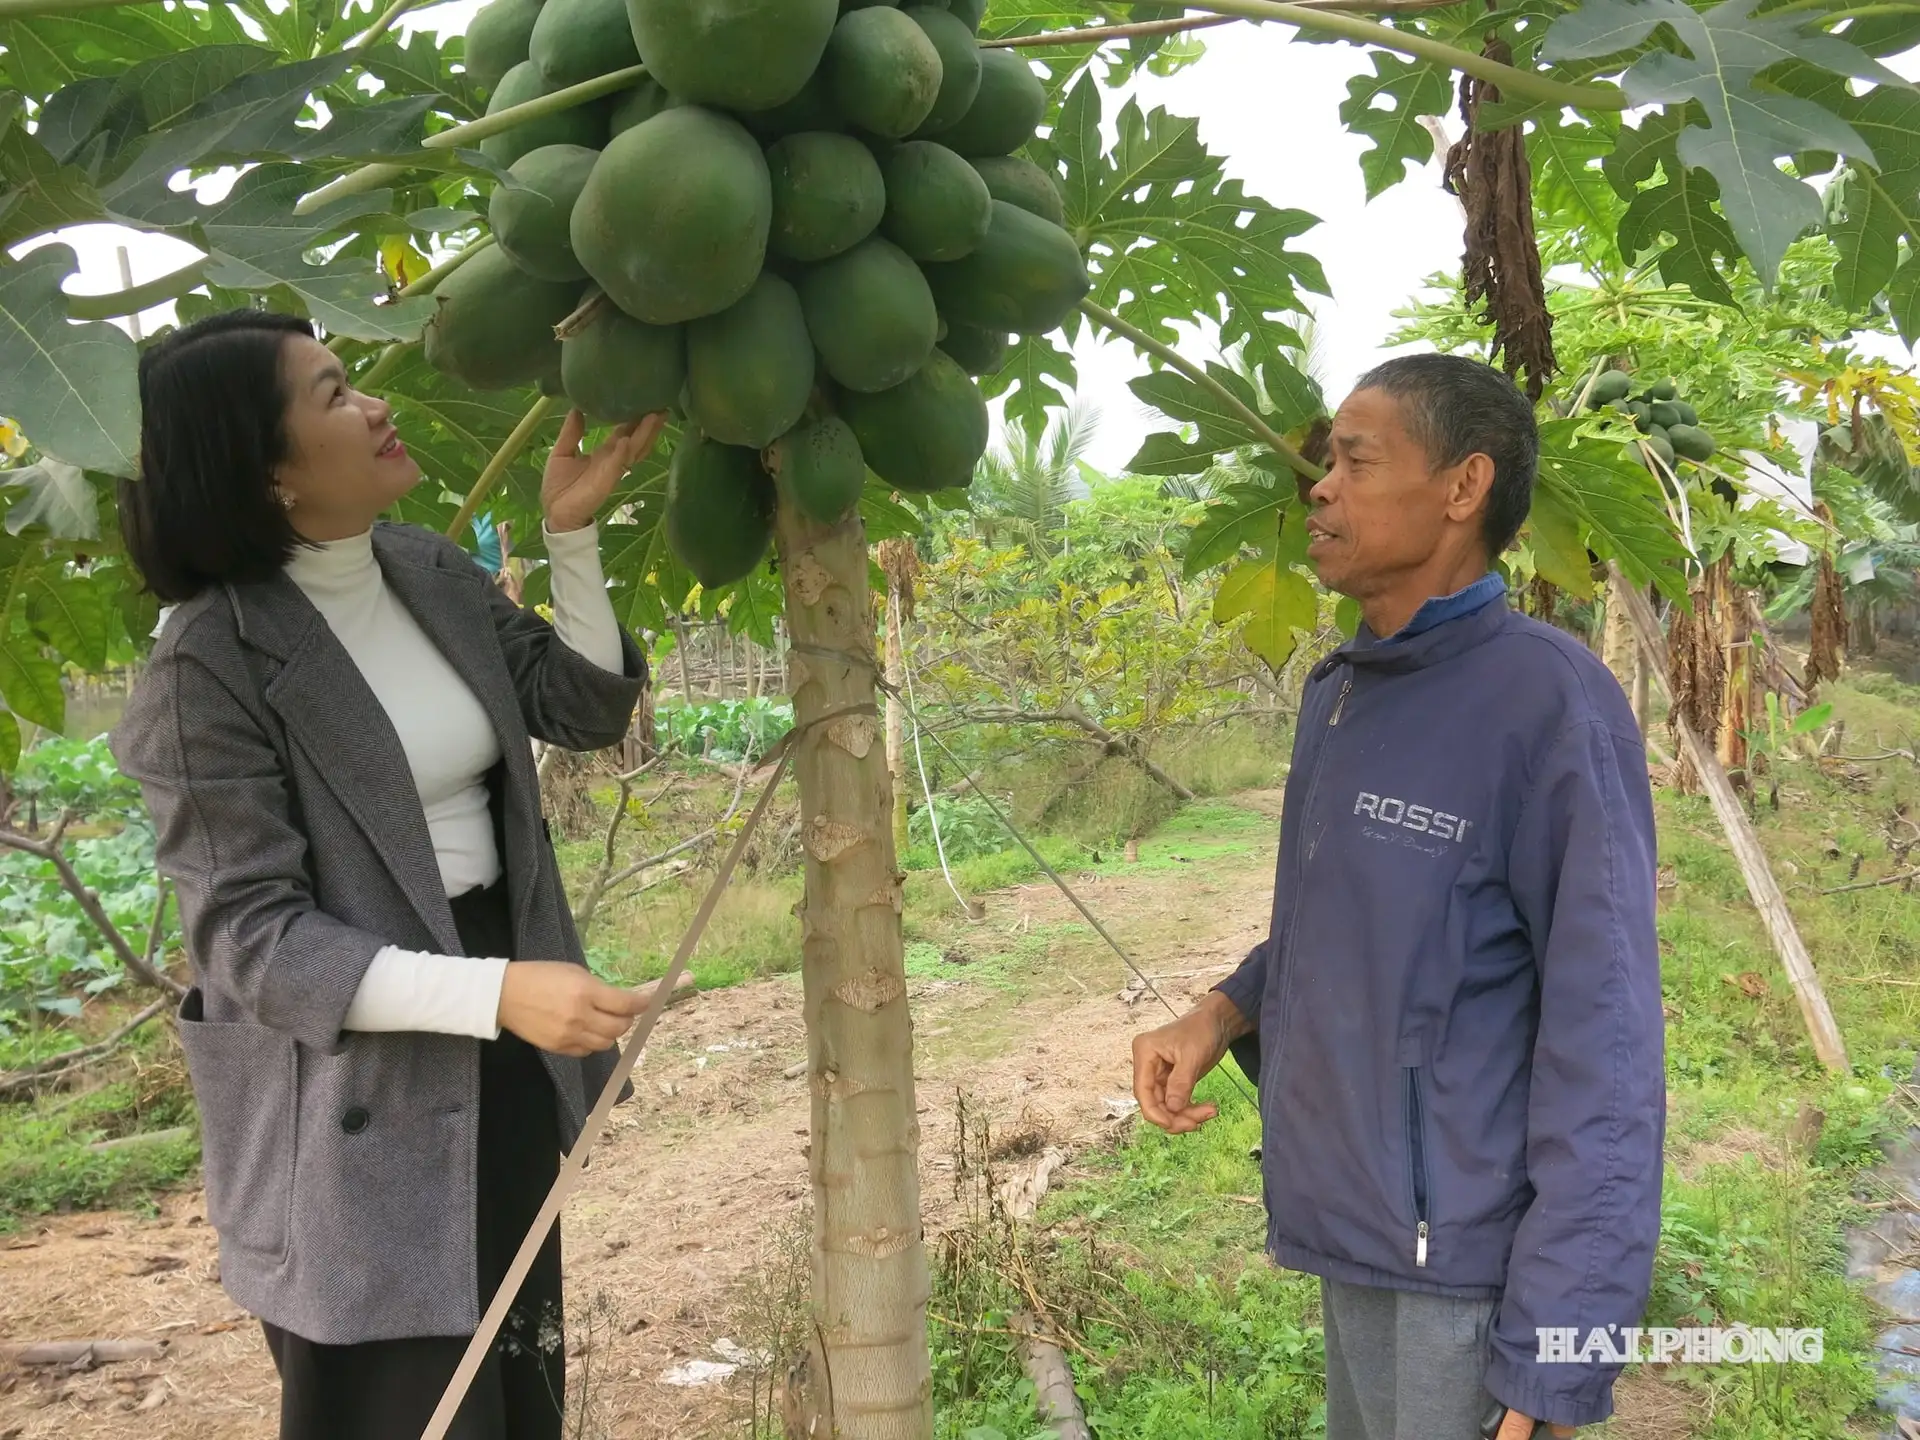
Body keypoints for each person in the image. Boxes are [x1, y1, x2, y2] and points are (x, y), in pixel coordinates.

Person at [111, 309, 661, 1440]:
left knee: (518, 1380)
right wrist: (493, 992)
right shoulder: (206, 666)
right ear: (266, 473)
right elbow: (254, 944)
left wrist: (570, 537)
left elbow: (578, 709)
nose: (375, 407)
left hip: (501, 1047)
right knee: (412, 1409)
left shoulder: (423, 569)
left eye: (351, 378)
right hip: (354, 1089)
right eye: (332, 396)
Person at [1130, 355, 1664, 1439]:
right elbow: (1357, 926)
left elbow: (1605, 1044)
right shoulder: (1340, 691)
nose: (1320, 486)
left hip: (1466, 1271)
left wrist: (1561, 1354)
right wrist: (1224, 1010)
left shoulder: (1549, 704)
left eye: (1355, 461)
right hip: (1355, 1235)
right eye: (1326, 463)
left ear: (1463, 488)